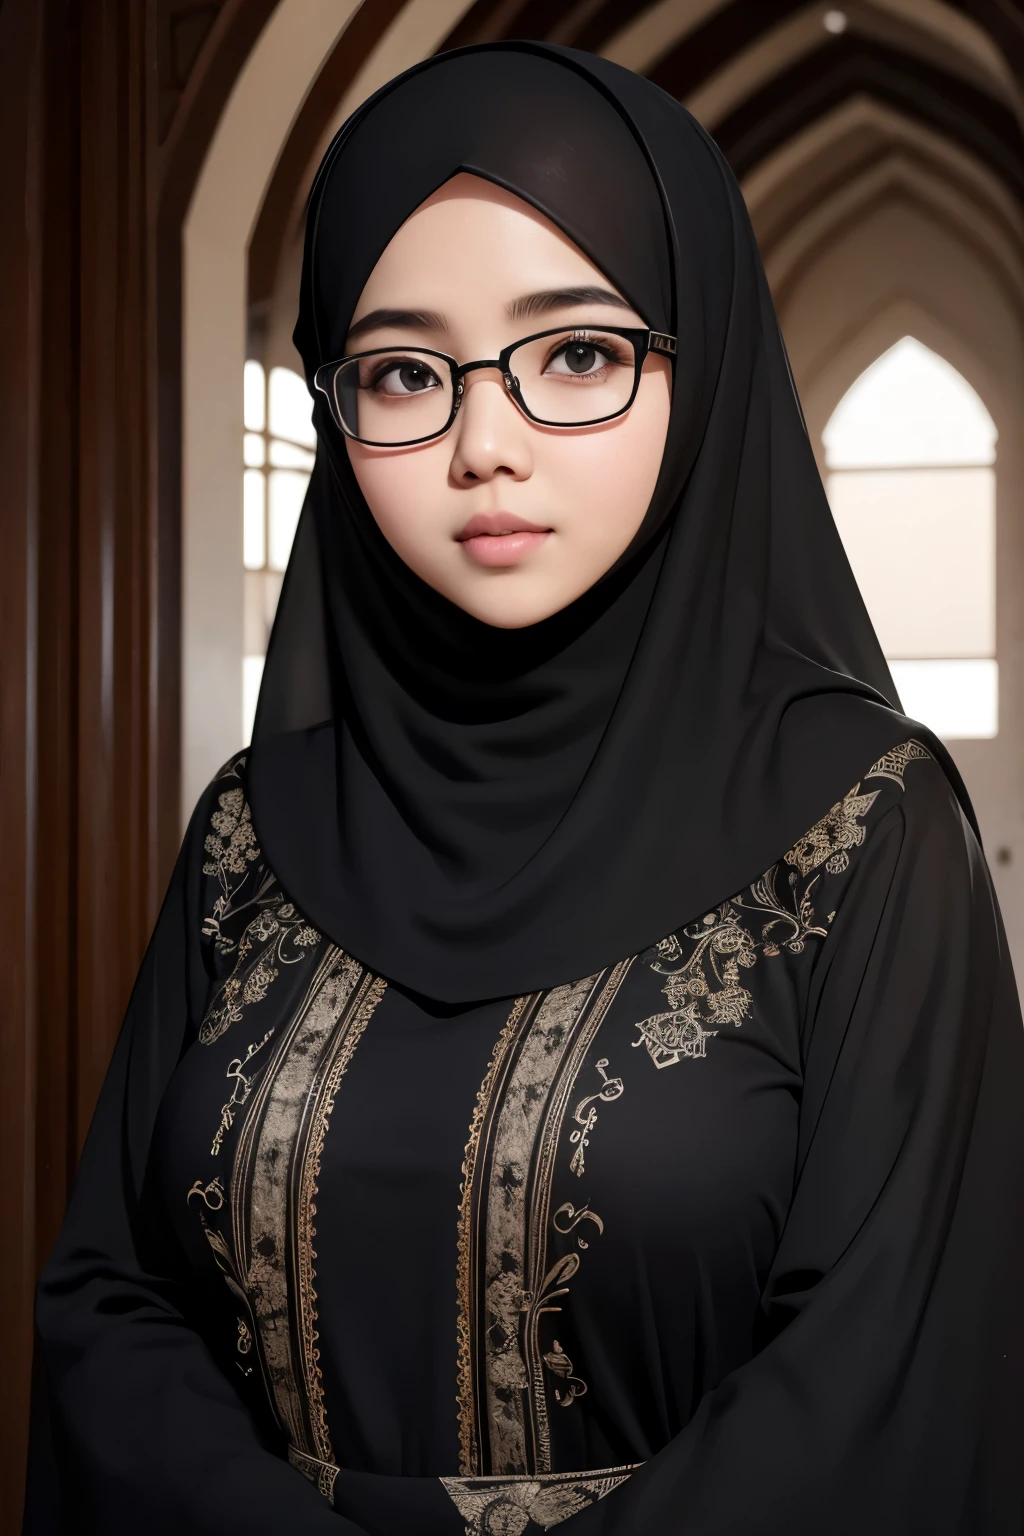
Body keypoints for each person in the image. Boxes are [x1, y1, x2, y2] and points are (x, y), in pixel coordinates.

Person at [27, 41, 1024, 1536]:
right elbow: (111, 1298)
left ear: (704, 370)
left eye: (574, 355)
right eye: (404, 374)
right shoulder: (256, 827)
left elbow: (888, 1374)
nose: (482, 448)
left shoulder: (866, 824)